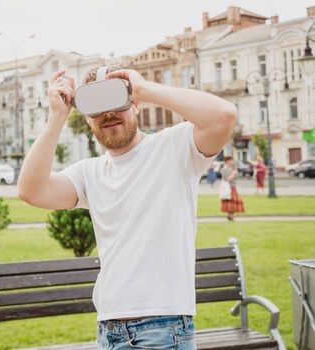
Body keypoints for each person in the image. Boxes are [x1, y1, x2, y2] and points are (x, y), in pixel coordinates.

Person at [17, 66, 237, 349]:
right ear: (86, 119)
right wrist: (57, 116)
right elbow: (31, 190)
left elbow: (224, 116)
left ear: (135, 104)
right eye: (96, 107)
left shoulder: (176, 147)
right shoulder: (89, 173)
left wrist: (145, 88)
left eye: (115, 101)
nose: (107, 114)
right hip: (108, 330)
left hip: (162, 327)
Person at [220, 156, 245, 221]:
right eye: (231, 161)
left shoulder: (232, 168)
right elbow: (227, 179)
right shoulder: (224, 169)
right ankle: (230, 215)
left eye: (232, 161)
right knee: (230, 201)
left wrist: (235, 170)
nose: (232, 162)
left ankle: (230, 215)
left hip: (233, 186)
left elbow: (237, 177)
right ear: (227, 161)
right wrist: (233, 174)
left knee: (233, 201)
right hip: (228, 187)